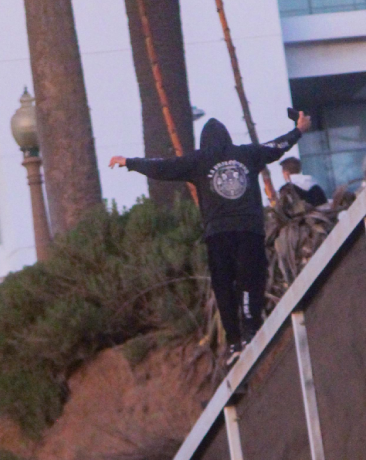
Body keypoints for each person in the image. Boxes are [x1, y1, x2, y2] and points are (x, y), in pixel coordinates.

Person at [110, 111, 312, 366]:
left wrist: (130, 162)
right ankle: (251, 331)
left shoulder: (199, 160)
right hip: (249, 229)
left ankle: (235, 341)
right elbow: (277, 146)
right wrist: (299, 130)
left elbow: (163, 167)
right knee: (251, 278)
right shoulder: (248, 154)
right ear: (227, 138)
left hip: (219, 234)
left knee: (224, 286)